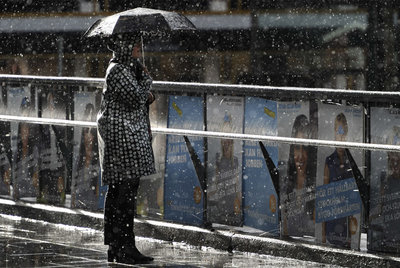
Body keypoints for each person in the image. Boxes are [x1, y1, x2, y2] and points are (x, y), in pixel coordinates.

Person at [97, 34, 156, 265]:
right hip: (123, 140)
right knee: (124, 194)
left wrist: (144, 90)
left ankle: (117, 245)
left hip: (126, 138)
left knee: (122, 192)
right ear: (123, 46)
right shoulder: (119, 71)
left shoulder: (126, 68)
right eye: (135, 44)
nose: (139, 47)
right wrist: (146, 82)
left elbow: (139, 98)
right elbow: (136, 97)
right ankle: (124, 246)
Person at [322, 113, 354, 248]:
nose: (341, 138)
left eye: (343, 134)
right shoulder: (329, 161)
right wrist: (323, 232)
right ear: (334, 135)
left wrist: (353, 233)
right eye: (338, 133)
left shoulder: (351, 162)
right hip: (332, 221)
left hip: (346, 223)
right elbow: (324, 197)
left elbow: (353, 196)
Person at [283, 114, 315, 237]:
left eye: (305, 149)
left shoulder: (316, 184)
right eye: (297, 148)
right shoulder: (287, 183)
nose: (300, 155)